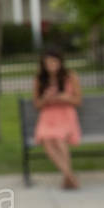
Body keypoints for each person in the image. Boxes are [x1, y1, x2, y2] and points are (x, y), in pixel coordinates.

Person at [33, 48, 82, 189]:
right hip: (48, 116)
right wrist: (46, 99)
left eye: (53, 61)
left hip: (65, 114)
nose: (51, 65)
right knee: (47, 140)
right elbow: (37, 104)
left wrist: (64, 97)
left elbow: (78, 101)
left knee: (59, 140)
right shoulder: (39, 79)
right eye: (47, 62)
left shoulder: (70, 76)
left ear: (60, 62)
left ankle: (67, 177)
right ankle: (70, 176)